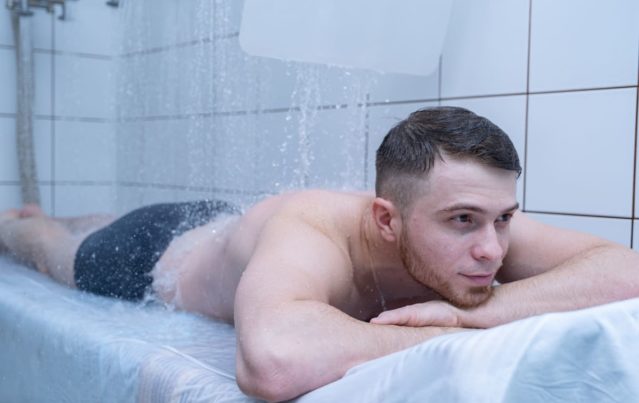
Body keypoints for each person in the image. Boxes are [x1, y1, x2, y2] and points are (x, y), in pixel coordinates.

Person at [1, 106, 638, 401]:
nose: (492, 249)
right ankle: (19, 223)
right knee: (55, 247)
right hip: (150, 253)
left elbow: (628, 270)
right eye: (464, 222)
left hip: (225, 227)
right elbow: (274, 364)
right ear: (386, 219)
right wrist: (449, 332)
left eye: (504, 219)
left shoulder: (472, 218)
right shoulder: (312, 229)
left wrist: (480, 312)